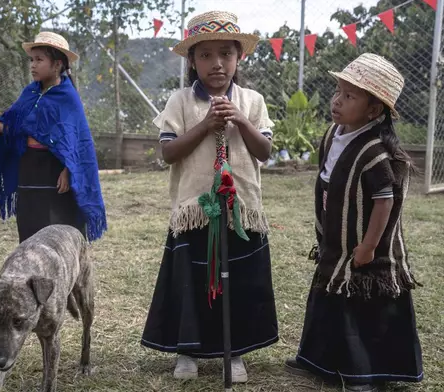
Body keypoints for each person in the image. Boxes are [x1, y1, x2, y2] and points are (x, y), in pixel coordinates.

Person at [140, 11, 278, 383]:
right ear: (192, 61)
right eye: (205, 55)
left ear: (239, 58)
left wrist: (241, 121)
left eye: (226, 54)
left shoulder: (251, 100)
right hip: (195, 210)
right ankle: (188, 351)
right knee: (193, 280)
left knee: (239, 281)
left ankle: (235, 352)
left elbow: (264, 152)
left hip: (240, 210)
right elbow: (168, 153)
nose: (217, 63)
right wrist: (205, 125)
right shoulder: (180, 101)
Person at [284, 54, 423, 392]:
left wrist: (370, 245)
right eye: (337, 91)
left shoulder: (375, 152)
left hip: (364, 248)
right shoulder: (334, 134)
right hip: (337, 241)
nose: (337, 100)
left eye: (349, 96)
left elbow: (384, 200)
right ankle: (318, 361)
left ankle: (366, 373)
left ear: (374, 110)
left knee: (364, 309)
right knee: (329, 300)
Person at [0, 32, 106, 243]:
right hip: (28, 168)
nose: (33, 65)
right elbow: (16, 128)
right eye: (31, 60)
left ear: (57, 65)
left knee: (55, 222)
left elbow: (76, 141)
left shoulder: (67, 97)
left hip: (53, 171)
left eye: (39, 60)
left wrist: (68, 170)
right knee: (30, 219)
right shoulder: (30, 93)